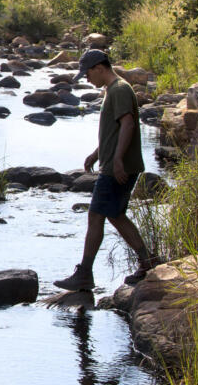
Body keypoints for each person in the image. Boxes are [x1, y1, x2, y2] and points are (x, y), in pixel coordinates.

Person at [53, 49, 155, 291]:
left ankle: (85, 274)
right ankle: (148, 261)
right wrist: (96, 154)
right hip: (116, 164)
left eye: (87, 74)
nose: (87, 79)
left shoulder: (119, 89)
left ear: (99, 67)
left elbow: (128, 124)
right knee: (115, 215)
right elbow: (115, 130)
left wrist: (118, 160)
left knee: (96, 215)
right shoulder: (114, 89)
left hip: (117, 168)